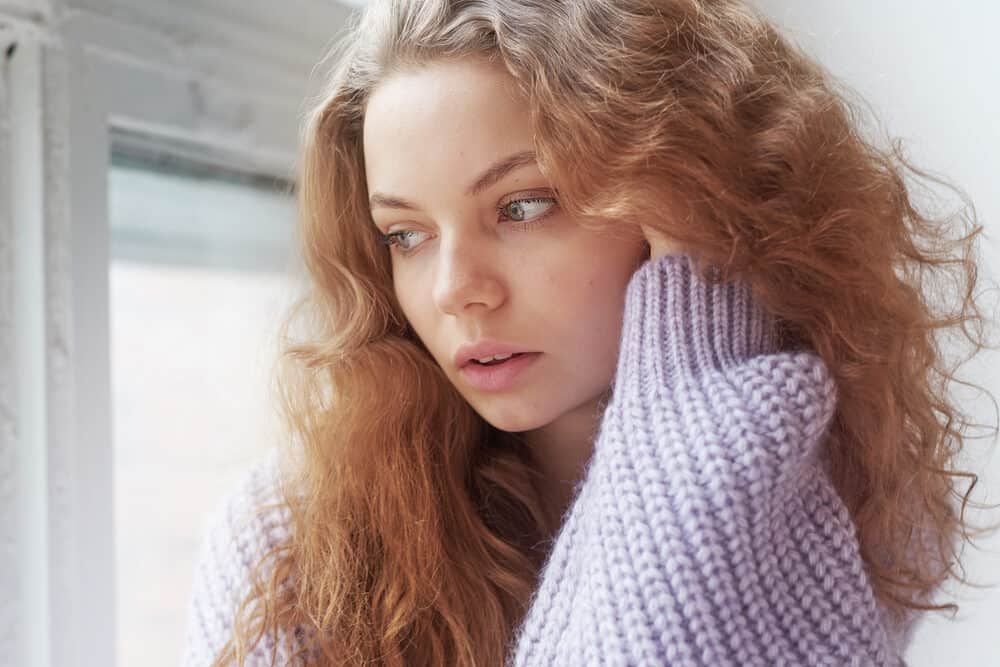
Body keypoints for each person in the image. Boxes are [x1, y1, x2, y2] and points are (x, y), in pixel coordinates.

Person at [180, 0, 998, 665]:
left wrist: (694, 356)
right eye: (406, 235)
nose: (455, 288)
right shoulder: (293, 543)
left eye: (523, 206)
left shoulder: (841, 501)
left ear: (684, 200)